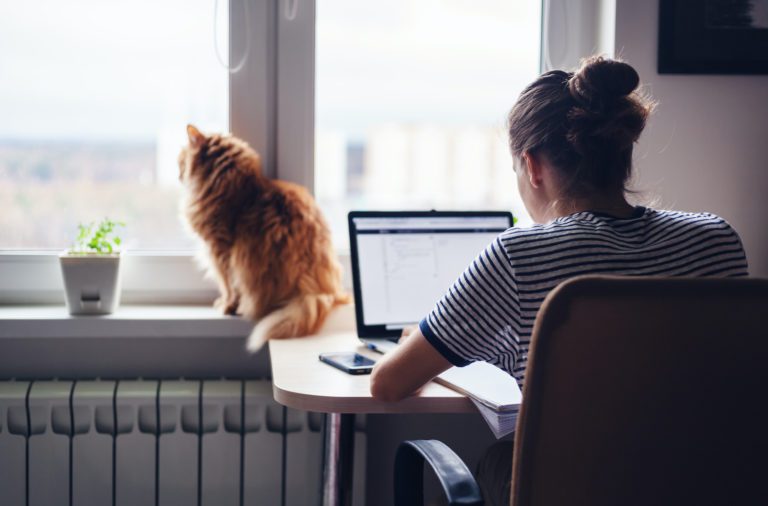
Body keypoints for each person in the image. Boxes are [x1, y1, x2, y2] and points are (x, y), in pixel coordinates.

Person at [370, 56, 749, 504]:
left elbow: (388, 384)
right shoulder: (716, 239)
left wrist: (428, 339)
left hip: (576, 492)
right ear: (623, 152)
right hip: (704, 484)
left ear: (532, 166)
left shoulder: (518, 255)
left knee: (497, 459)